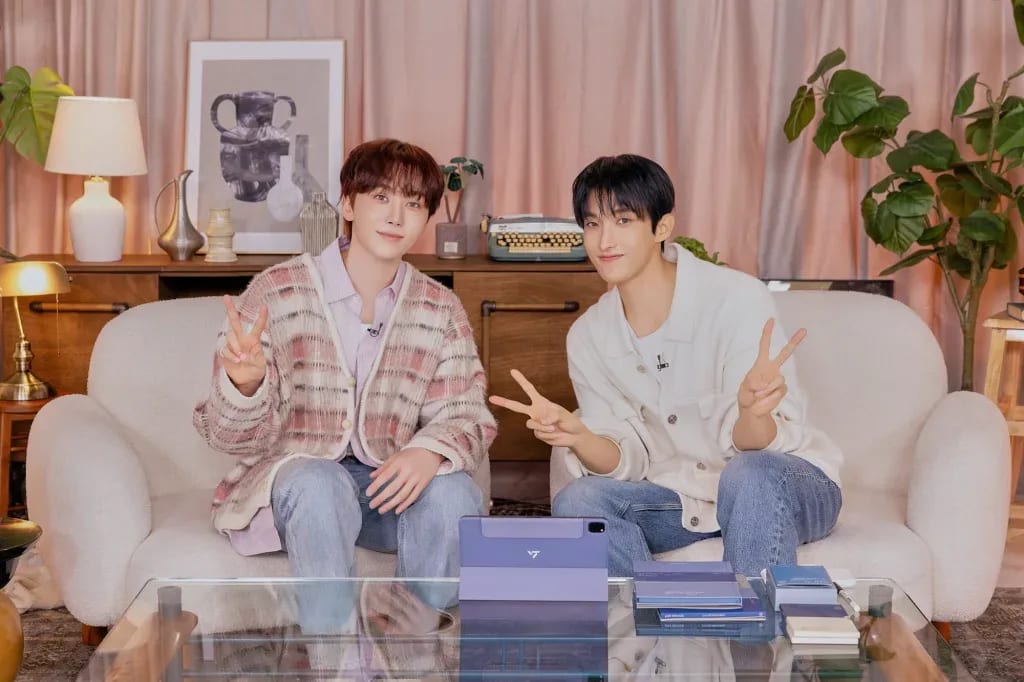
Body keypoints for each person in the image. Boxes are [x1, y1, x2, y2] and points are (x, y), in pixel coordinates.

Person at [489, 154, 843, 578]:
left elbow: (761, 446)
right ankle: (649, 619)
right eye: (592, 224)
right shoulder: (588, 336)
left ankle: (751, 622)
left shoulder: (735, 299)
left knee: (748, 475)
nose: (604, 241)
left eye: (623, 221)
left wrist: (752, 413)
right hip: (681, 500)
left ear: (662, 227)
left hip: (782, 482)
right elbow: (628, 460)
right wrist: (581, 437)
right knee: (579, 500)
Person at [194, 138, 496, 627]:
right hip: (299, 488)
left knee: (455, 493)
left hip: (386, 490)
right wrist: (243, 384)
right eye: (381, 197)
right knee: (320, 482)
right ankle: (332, 652)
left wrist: (429, 451)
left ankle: (416, 647)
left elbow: (466, 413)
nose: (396, 216)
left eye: (412, 203)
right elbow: (229, 435)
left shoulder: (440, 308)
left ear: (425, 217)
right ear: (349, 205)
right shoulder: (277, 290)